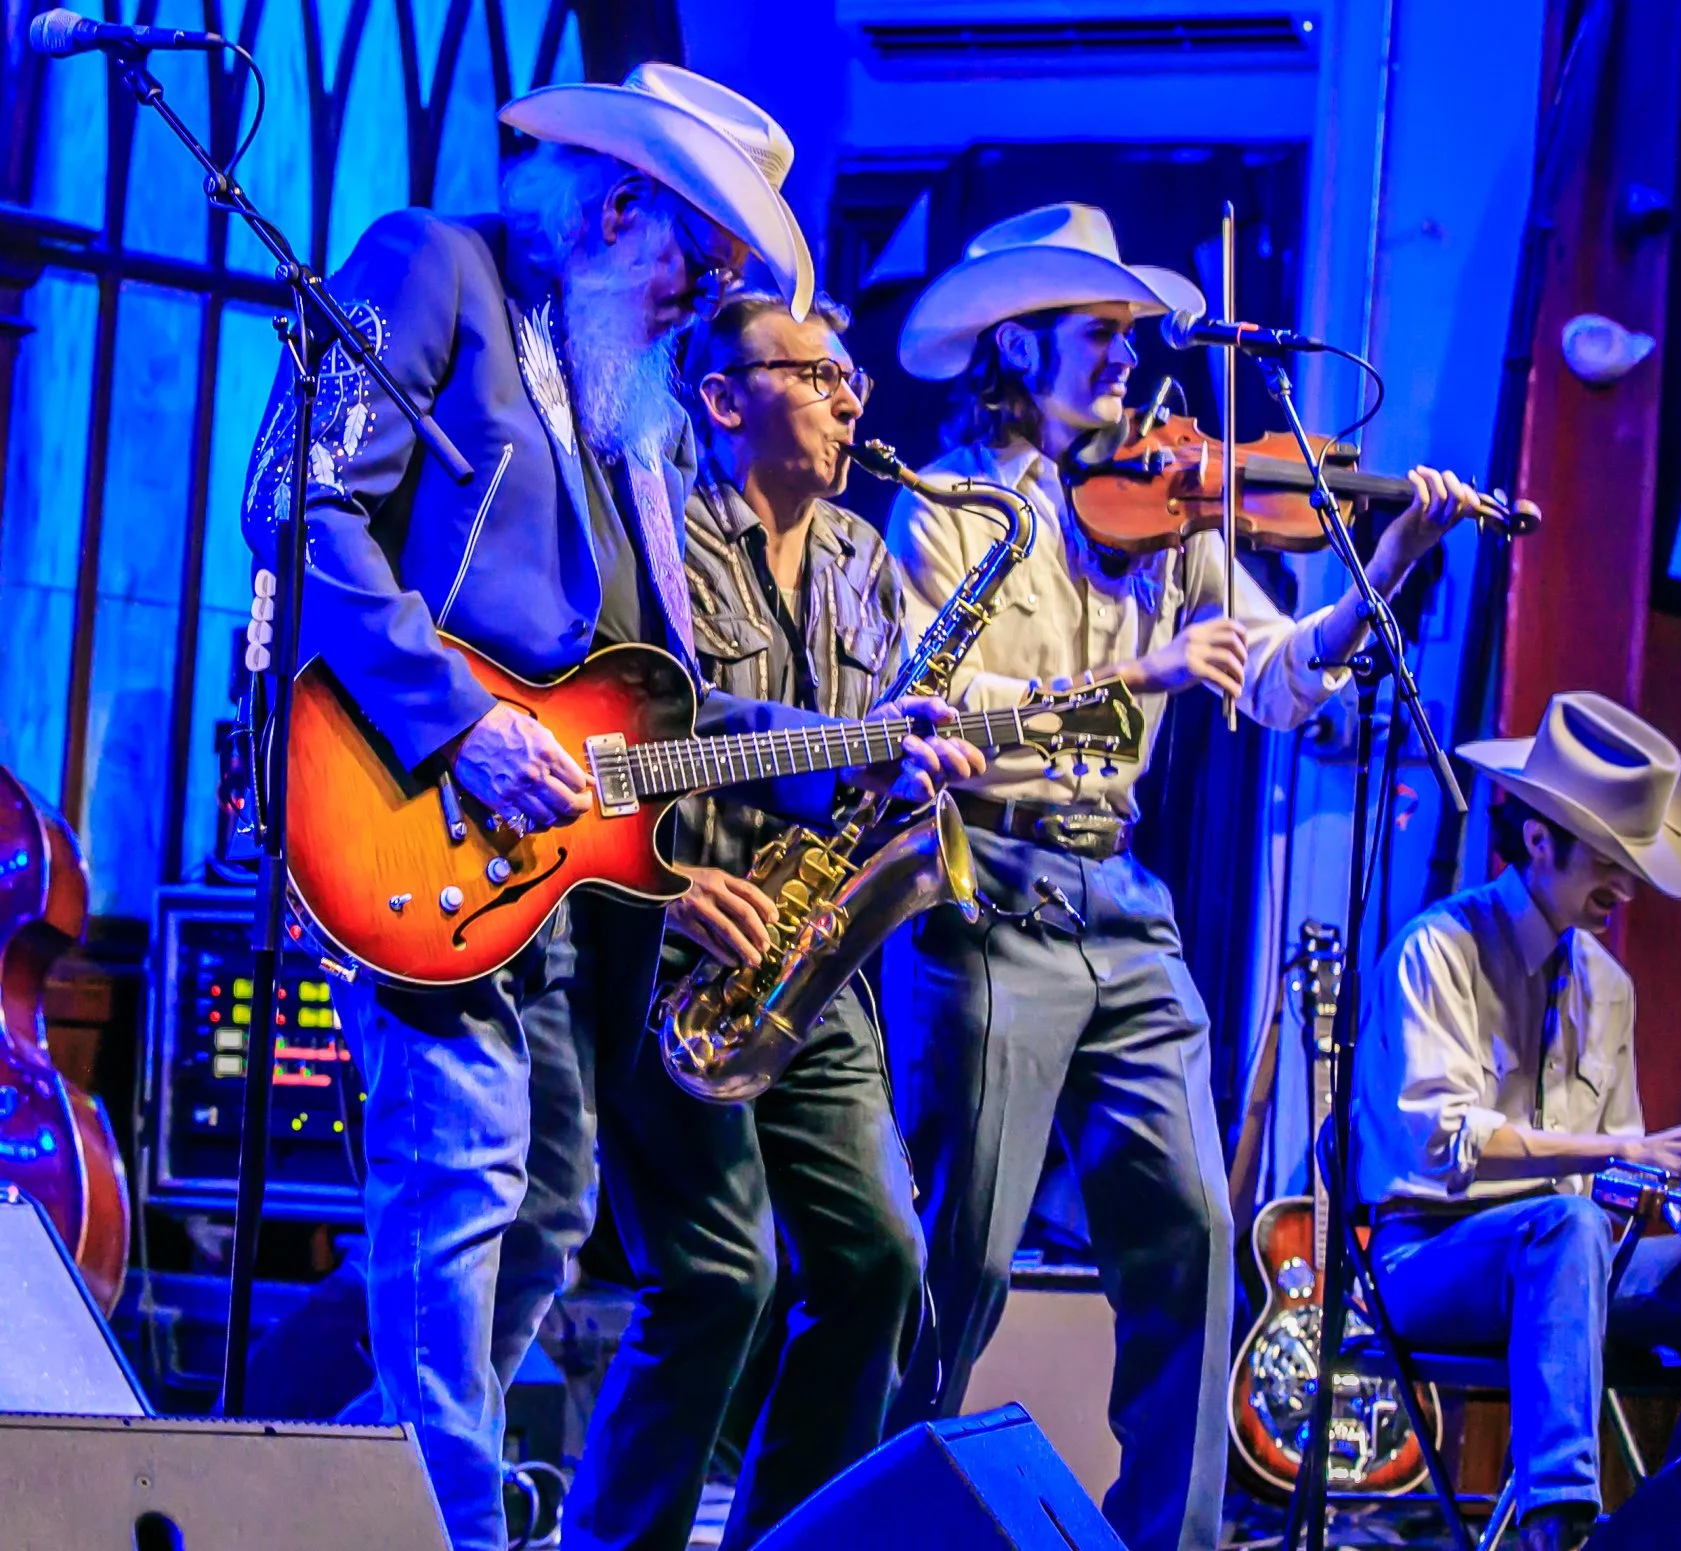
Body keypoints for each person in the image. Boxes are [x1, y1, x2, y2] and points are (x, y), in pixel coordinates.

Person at [238, 65, 969, 1551]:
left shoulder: (627, 418)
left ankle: (325, 1495)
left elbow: (664, 711)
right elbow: (292, 501)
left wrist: (858, 738)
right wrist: (463, 725)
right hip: (406, 802)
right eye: (691, 255)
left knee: (546, 1210)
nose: (702, 291)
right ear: (618, 203)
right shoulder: (434, 265)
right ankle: (430, 1528)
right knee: (465, 1176)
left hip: (557, 879)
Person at [881, 201, 1506, 1551]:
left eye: (1125, 331)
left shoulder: (1175, 503)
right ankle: (882, 1518)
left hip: (1122, 905)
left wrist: (1385, 563)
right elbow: (928, 702)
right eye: (1094, 333)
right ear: (1013, 343)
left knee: (1190, 1238)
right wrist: (1133, 673)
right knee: (958, 1258)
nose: (1124, 356)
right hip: (984, 896)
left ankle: (1164, 1535)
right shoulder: (944, 511)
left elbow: (1278, 673)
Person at [562, 288, 950, 1551]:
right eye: (819, 373)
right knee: (722, 1277)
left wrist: (919, 772)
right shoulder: (661, 538)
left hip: (808, 963)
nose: (853, 397)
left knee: (880, 1265)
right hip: (677, 950)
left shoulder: (862, 560)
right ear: (723, 401)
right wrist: (674, 899)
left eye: (852, 376)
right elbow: (618, 734)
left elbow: (873, 757)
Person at [1351, 692, 1681, 1551]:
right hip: (1427, 1259)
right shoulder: (1437, 950)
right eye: (1609, 857)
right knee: (1564, 1226)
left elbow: (1617, 1182)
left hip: (1571, 1265)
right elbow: (1442, 1143)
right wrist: (1626, 1147)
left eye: (1633, 861)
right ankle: (1558, 1526)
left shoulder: (1608, 986)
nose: (1627, 885)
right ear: (1538, 840)